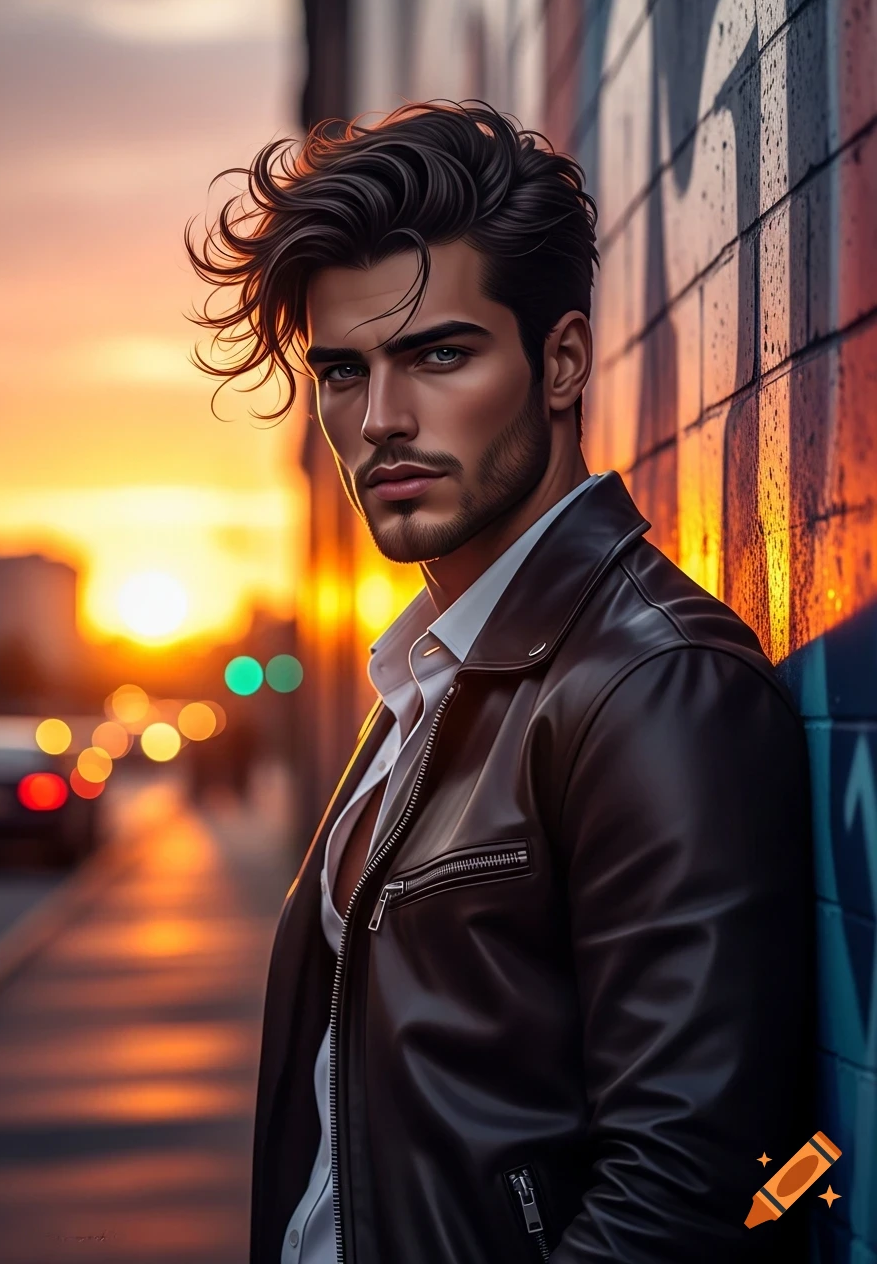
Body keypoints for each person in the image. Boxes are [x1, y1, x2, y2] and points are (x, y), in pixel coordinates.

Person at [187, 101, 814, 1264]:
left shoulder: (650, 683)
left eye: (437, 353)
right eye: (340, 370)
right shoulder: (431, 678)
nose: (378, 420)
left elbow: (677, 1189)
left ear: (560, 360)